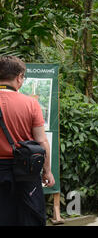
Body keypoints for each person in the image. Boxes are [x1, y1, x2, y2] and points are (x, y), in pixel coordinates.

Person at [0, 55, 55, 226]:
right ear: (19, 77)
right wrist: (47, 171)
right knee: (29, 216)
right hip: (27, 170)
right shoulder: (30, 104)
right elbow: (41, 141)